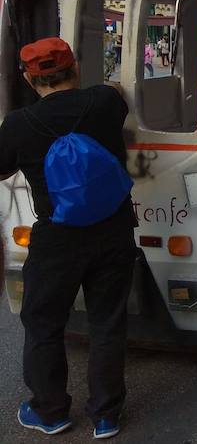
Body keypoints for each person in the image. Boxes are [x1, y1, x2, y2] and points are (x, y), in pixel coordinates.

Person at [0, 38, 137, 439]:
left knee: (42, 322)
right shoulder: (103, 104)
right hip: (113, 231)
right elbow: (116, 92)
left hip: (57, 239)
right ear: (74, 69)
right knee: (108, 322)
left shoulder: (18, 125)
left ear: (29, 78)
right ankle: (107, 415)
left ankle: (51, 411)